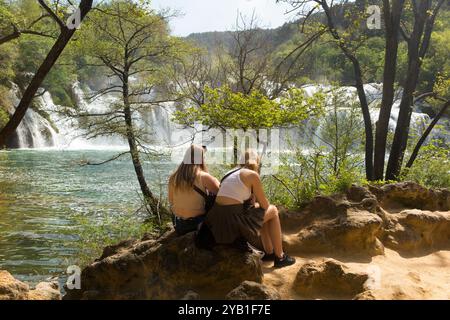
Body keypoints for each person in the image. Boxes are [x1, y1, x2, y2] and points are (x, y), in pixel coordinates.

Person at [204, 149, 296, 268]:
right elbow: (265, 206)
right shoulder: (252, 175)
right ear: (257, 161)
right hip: (233, 225)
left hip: (217, 225)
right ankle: (280, 256)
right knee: (272, 210)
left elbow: (239, 203)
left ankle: (269, 253)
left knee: (261, 213)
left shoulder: (229, 173)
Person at [168, 145, 220, 235]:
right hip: (197, 224)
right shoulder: (203, 177)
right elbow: (223, 195)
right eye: (203, 157)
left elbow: (171, 201)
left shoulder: (174, 177)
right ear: (201, 159)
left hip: (179, 225)